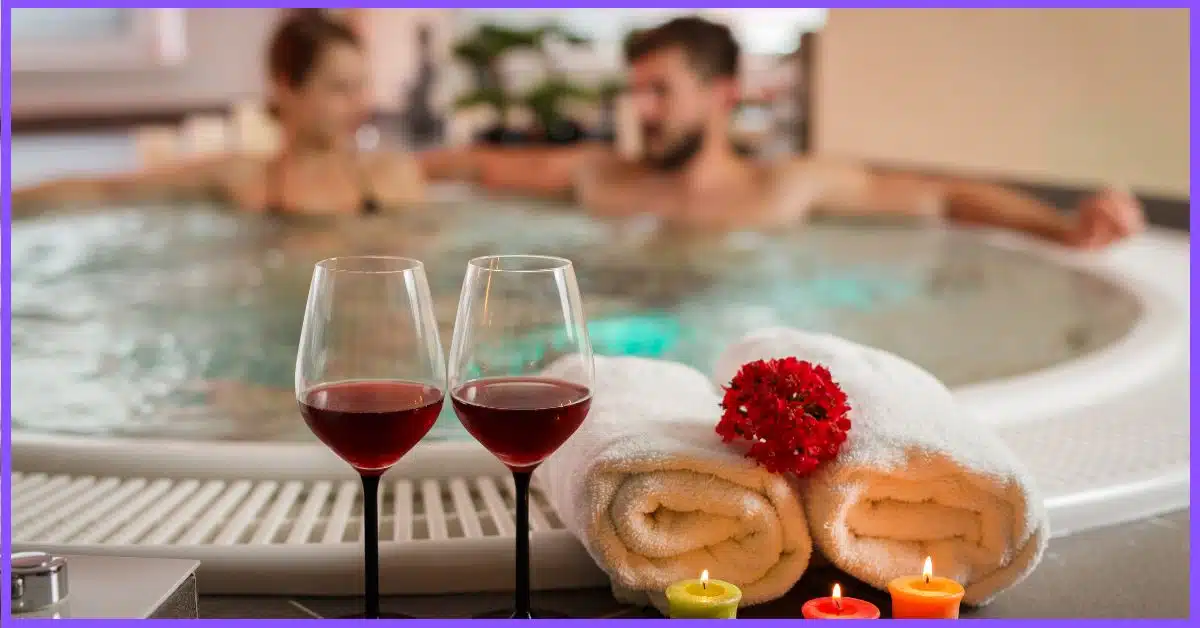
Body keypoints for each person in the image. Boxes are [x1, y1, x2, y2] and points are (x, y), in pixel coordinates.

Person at [419, 17, 1144, 248]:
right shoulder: (600, 175)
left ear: (722, 95)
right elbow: (479, 168)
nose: (641, 109)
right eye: (637, 89)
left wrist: (1064, 229)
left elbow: (943, 196)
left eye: (660, 90)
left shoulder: (785, 187)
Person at [13, 10, 424, 217]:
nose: (361, 104)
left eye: (362, 86)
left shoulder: (388, 176)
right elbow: (107, 191)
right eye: (339, 89)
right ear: (287, 87)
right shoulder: (244, 178)